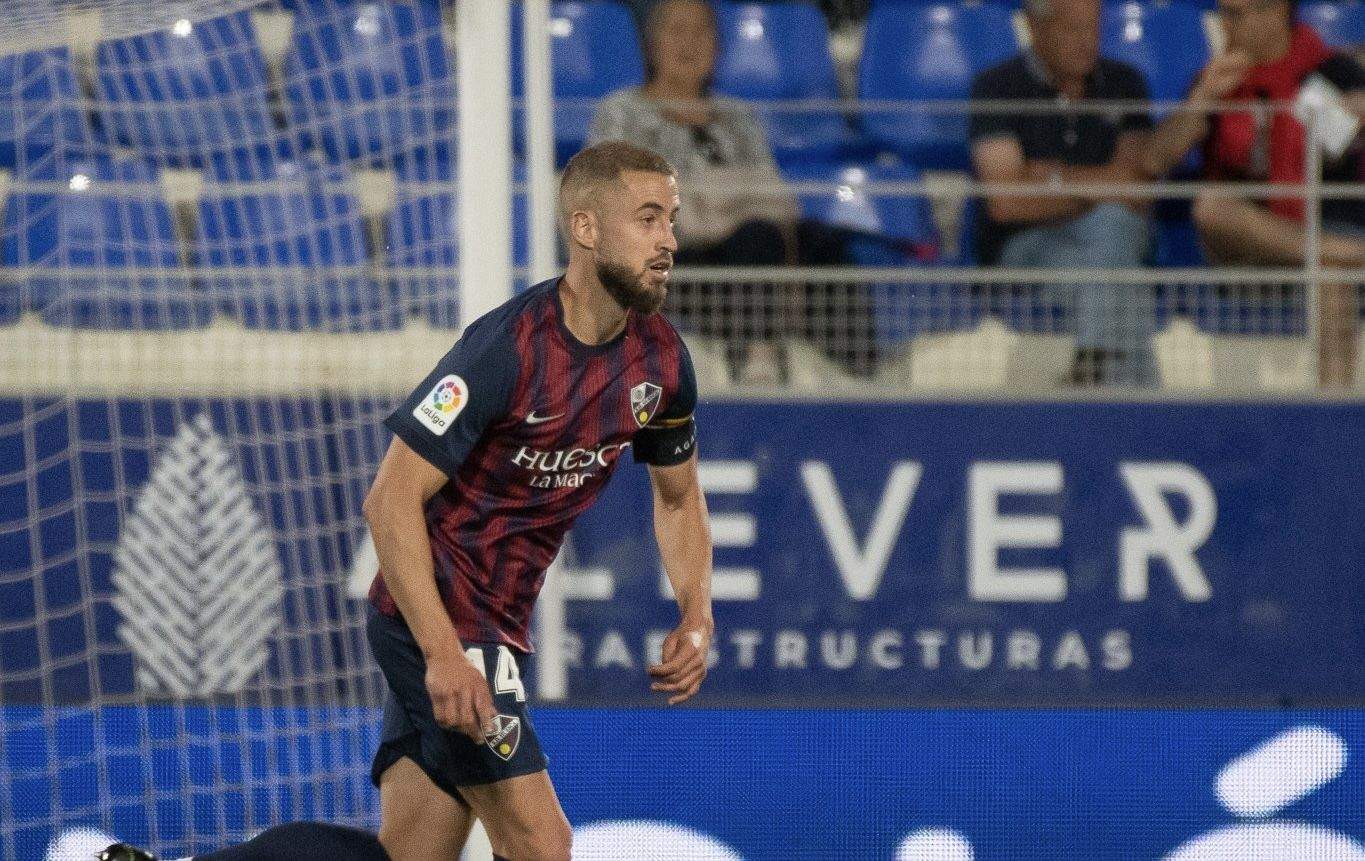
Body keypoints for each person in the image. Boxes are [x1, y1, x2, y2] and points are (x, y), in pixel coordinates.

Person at [101, 141, 715, 861]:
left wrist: (696, 612)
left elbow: (677, 500)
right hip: (439, 621)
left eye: (670, 220)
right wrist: (443, 653)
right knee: (541, 846)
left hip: (491, 629)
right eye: (648, 219)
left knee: (408, 856)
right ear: (585, 228)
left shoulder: (663, 364)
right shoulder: (505, 351)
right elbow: (388, 501)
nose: (668, 240)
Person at [589, 0, 875, 380]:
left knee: (822, 242)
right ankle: (757, 359)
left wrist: (710, 203)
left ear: (718, 46)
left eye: (701, 31)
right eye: (676, 30)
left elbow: (775, 196)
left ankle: (862, 375)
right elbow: (618, 199)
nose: (688, 42)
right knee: (754, 237)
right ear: (651, 44)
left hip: (746, 238)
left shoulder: (737, 115)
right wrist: (714, 209)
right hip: (674, 258)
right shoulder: (621, 111)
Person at [1152, 0, 1365, 388]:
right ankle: (1347, 254)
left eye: (1235, 14)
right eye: (1223, 13)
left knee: (1332, 277)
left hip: (1321, 235)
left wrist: (1351, 114)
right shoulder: (1216, 79)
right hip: (1246, 247)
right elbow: (1153, 162)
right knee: (1211, 208)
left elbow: (1344, 145)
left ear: (1275, 12)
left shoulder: (1332, 72)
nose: (1224, 26)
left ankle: (1333, 420)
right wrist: (1200, 101)